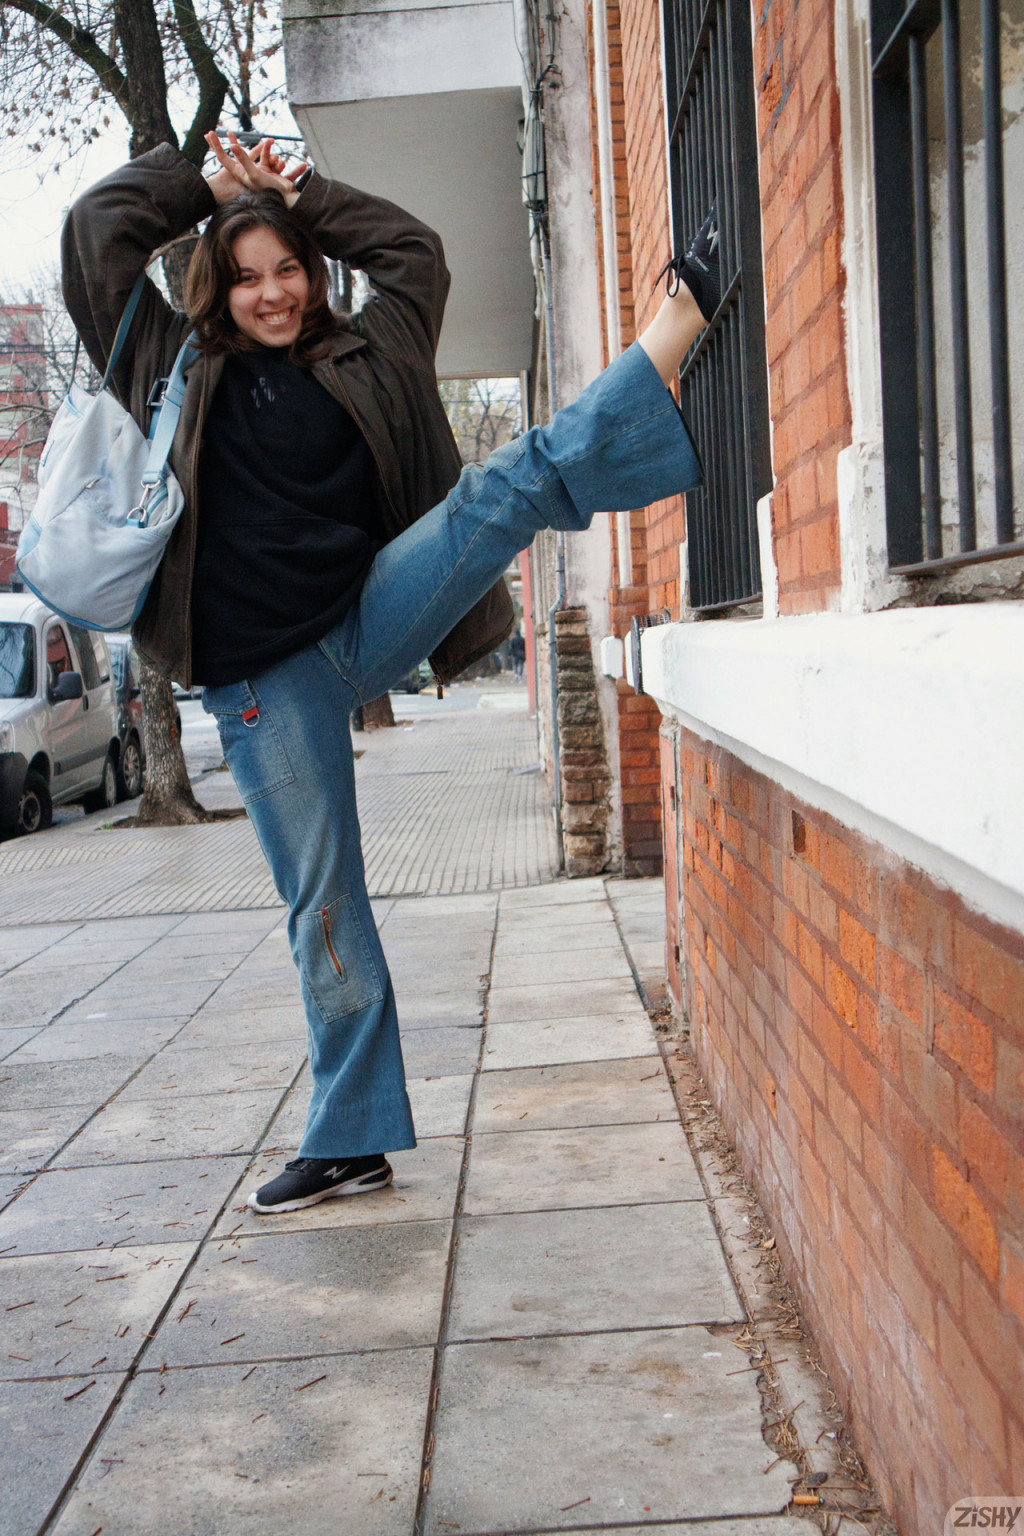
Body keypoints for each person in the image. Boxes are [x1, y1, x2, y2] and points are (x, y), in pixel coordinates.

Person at [63, 132, 718, 1214]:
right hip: (263, 684)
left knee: (496, 490)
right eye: (247, 276)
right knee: (324, 903)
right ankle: (352, 1138)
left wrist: (300, 193)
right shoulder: (169, 367)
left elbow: (414, 252)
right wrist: (208, 186)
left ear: (314, 270)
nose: (272, 293)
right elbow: (95, 235)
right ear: (217, 288)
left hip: (369, 620)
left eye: (288, 267)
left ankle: (665, 343)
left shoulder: (371, 350)